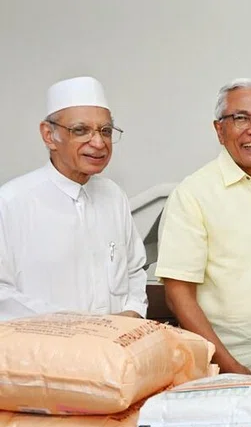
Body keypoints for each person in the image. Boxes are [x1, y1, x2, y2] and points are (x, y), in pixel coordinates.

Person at [155, 79, 251, 375]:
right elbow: (178, 295)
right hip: (225, 367)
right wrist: (231, 367)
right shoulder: (193, 194)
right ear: (219, 130)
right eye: (241, 118)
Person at [0, 76, 147, 320]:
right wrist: (77, 328)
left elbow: (135, 271)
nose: (98, 143)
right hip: (42, 342)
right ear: (49, 135)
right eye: (80, 130)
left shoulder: (114, 196)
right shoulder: (10, 202)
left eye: (105, 131)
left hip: (116, 341)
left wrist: (132, 313)